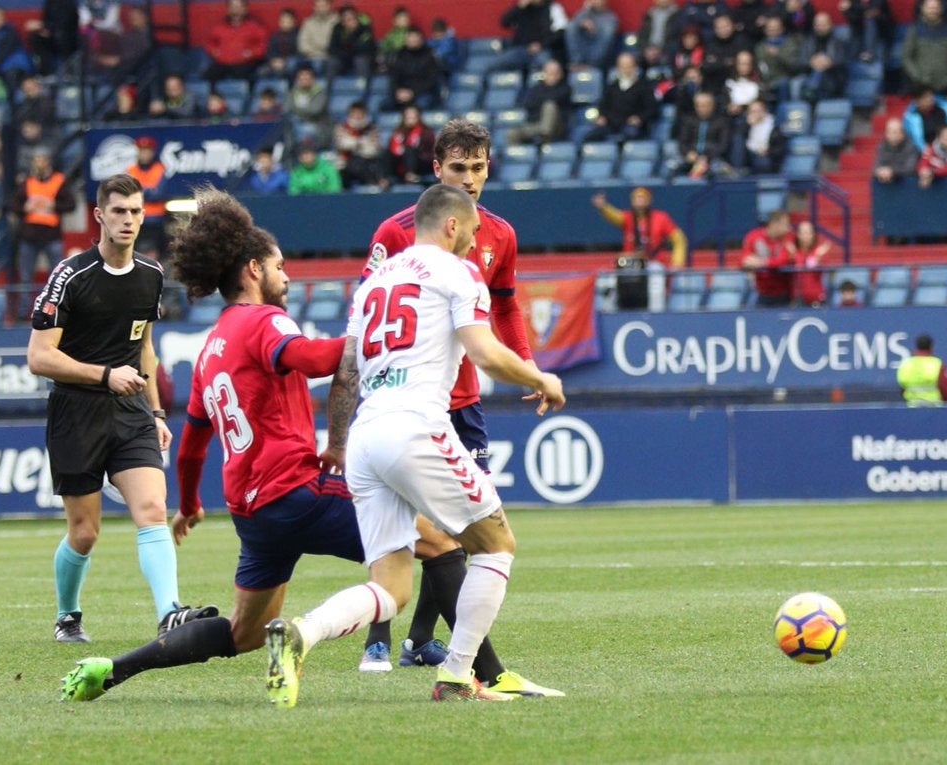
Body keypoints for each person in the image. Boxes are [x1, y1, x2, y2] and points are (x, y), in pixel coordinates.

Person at [58, 189, 556, 702]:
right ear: (253, 270)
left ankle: (112, 669)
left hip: (251, 512)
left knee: (241, 634)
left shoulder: (211, 347)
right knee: (441, 544)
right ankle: (482, 674)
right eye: (279, 267)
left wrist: (187, 506)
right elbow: (313, 359)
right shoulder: (265, 321)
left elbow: (191, 444)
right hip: (296, 490)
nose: (288, 277)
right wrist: (386, 339)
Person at [263, 184, 567, 708]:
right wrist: (540, 378)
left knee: (392, 586)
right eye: (471, 232)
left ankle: (300, 634)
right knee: (496, 544)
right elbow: (485, 354)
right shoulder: (457, 271)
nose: (474, 244)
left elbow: (349, 370)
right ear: (452, 225)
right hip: (415, 427)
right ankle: (455, 675)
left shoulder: (374, 282)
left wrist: (336, 441)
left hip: (365, 437)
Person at [357, 120, 552, 697]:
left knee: (454, 534)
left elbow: (508, 307)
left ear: (489, 167)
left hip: (462, 404)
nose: (469, 180)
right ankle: (388, 637)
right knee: (433, 532)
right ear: (436, 169)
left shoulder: (500, 235)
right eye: (458, 168)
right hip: (408, 403)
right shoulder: (398, 233)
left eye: (479, 167)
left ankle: (421, 641)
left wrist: (527, 362)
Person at [27, 174, 214, 643]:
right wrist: (105, 375)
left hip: (131, 411)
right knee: (85, 533)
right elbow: (39, 357)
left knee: (152, 508)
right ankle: (68, 615)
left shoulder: (151, 275)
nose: (127, 220)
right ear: (99, 216)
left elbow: (144, 347)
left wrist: (154, 411)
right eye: (118, 212)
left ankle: (170, 613)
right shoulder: (69, 275)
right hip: (77, 412)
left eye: (135, 211)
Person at [8, 149, 75, 297]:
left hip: (52, 236)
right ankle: (23, 312)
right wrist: (25, 208)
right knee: (25, 278)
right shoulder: (27, 181)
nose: (39, 163)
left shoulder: (59, 181)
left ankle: (57, 309)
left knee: (57, 277)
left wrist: (54, 206)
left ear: (48, 162)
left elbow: (71, 204)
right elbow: (13, 204)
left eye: (42, 160)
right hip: (29, 236)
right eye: (36, 160)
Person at [591, 186, 687, 268]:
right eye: (637, 198)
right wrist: (603, 207)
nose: (640, 200)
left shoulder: (661, 218)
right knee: (617, 267)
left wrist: (677, 263)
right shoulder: (628, 218)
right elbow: (615, 216)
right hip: (632, 262)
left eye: (643, 198)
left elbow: (679, 239)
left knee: (655, 272)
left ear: (649, 200)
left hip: (655, 262)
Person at [740, 209, 796, 307]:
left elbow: (783, 260)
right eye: (785, 224)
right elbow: (744, 260)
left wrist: (762, 263)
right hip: (762, 294)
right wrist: (750, 263)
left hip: (784, 295)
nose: (788, 228)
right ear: (774, 224)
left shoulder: (789, 237)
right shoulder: (754, 237)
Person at [902, 0, 947, 95]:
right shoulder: (914, 30)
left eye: (935, 8)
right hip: (921, 87)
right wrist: (918, 77)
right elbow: (907, 57)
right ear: (923, 9)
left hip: (946, 86)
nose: (933, 11)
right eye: (930, 8)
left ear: (941, 9)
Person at [125, 135, 166, 253]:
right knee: (135, 252)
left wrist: (139, 190)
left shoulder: (160, 169)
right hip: (135, 219)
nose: (144, 155)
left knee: (155, 252)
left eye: (147, 151)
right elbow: (128, 194)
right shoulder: (131, 170)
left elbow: (158, 194)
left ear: (153, 152)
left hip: (155, 219)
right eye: (142, 151)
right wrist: (148, 190)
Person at [898, 334, 947, 406]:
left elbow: (902, 389)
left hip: (912, 409)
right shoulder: (937, 364)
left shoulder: (906, 365)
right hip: (934, 409)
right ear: (931, 347)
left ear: (917, 347)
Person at [793, 220, 829, 307]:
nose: (806, 236)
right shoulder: (794, 253)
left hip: (817, 298)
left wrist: (818, 257)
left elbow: (825, 268)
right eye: (803, 233)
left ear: (813, 235)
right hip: (799, 299)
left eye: (809, 233)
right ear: (798, 235)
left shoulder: (819, 252)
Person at [875, 118, 920, 184]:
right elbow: (876, 167)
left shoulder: (911, 147)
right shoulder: (882, 147)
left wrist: (892, 172)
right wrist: (880, 171)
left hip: (907, 185)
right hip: (887, 184)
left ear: (902, 134)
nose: (893, 135)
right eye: (889, 132)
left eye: (895, 132)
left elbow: (910, 168)